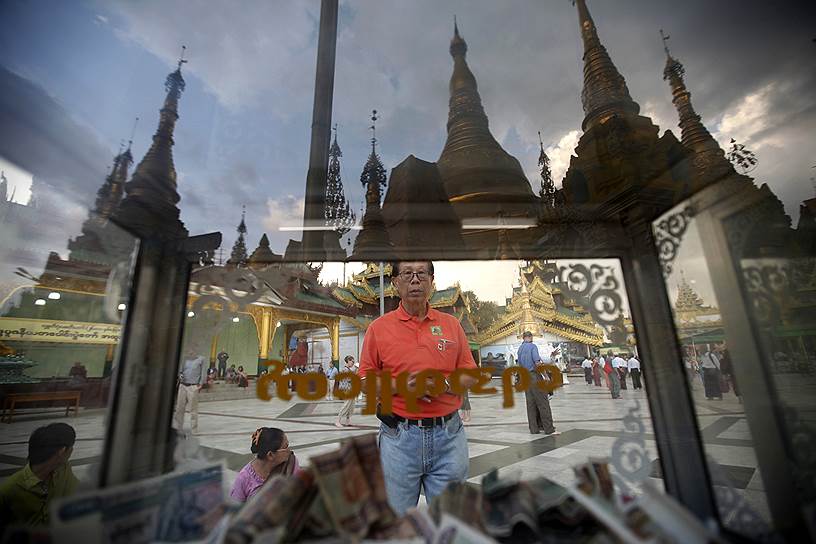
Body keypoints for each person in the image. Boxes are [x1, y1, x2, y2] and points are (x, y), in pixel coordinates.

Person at [359, 260, 479, 516]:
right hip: (399, 438)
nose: (415, 280)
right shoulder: (378, 329)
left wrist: (445, 384)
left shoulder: (451, 325)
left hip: (449, 435)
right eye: (407, 274)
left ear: (432, 282)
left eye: (422, 274)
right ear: (395, 283)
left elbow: (470, 373)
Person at [0, 423, 78, 525]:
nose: (72, 451)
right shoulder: (9, 490)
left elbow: (77, 491)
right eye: (71, 447)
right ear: (62, 451)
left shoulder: (64, 469)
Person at [230, 427, 299, 503]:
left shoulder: (291, 463)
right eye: (285, 447)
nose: (289, 450)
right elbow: (235, 511)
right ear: (270, 455)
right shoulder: (243, 479)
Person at [517, 332, 560, 436]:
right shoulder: (532, 346)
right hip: (534, 377)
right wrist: (545, 376)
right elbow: (537, 362)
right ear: (530, 337)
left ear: (523, 338)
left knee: (531, 404)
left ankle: (534, 428)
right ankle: (549, 429)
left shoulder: (520, 349)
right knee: (543, 403)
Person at [174, 347, 206, 434]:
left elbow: (203, 372)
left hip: (193, 386)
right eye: (189, 350)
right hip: (183, 385)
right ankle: (177, 426)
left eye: (193, 349)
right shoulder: (185, 359)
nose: (191, 351)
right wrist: (180, 375)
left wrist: (200, 384)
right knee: (179, 408)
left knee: (193, 409)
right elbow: (180, 370)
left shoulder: (201, 359)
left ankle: (194, 429)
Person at [335, 355, 358, 427]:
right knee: (346, 405)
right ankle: (337, 420)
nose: (353, 363)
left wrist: (356, 369)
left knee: (351, 406)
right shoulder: (345, 369)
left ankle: (347, 421)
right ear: (348, 361)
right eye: (352, 361)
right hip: (347, 390)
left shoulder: (349, 369)